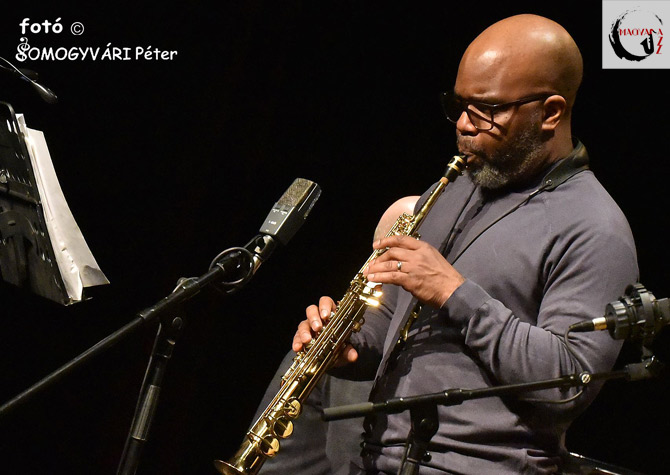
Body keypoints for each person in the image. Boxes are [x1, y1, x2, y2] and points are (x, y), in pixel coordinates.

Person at [285, 14, 638, 474]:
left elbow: (568, 384)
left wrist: (455, 293)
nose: (465, 126)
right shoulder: (454, 190)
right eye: (459, 105)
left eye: (487, 109)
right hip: (382, 459)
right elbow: (393, 320)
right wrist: (350, 345)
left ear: (551, 112)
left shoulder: (595, 227)